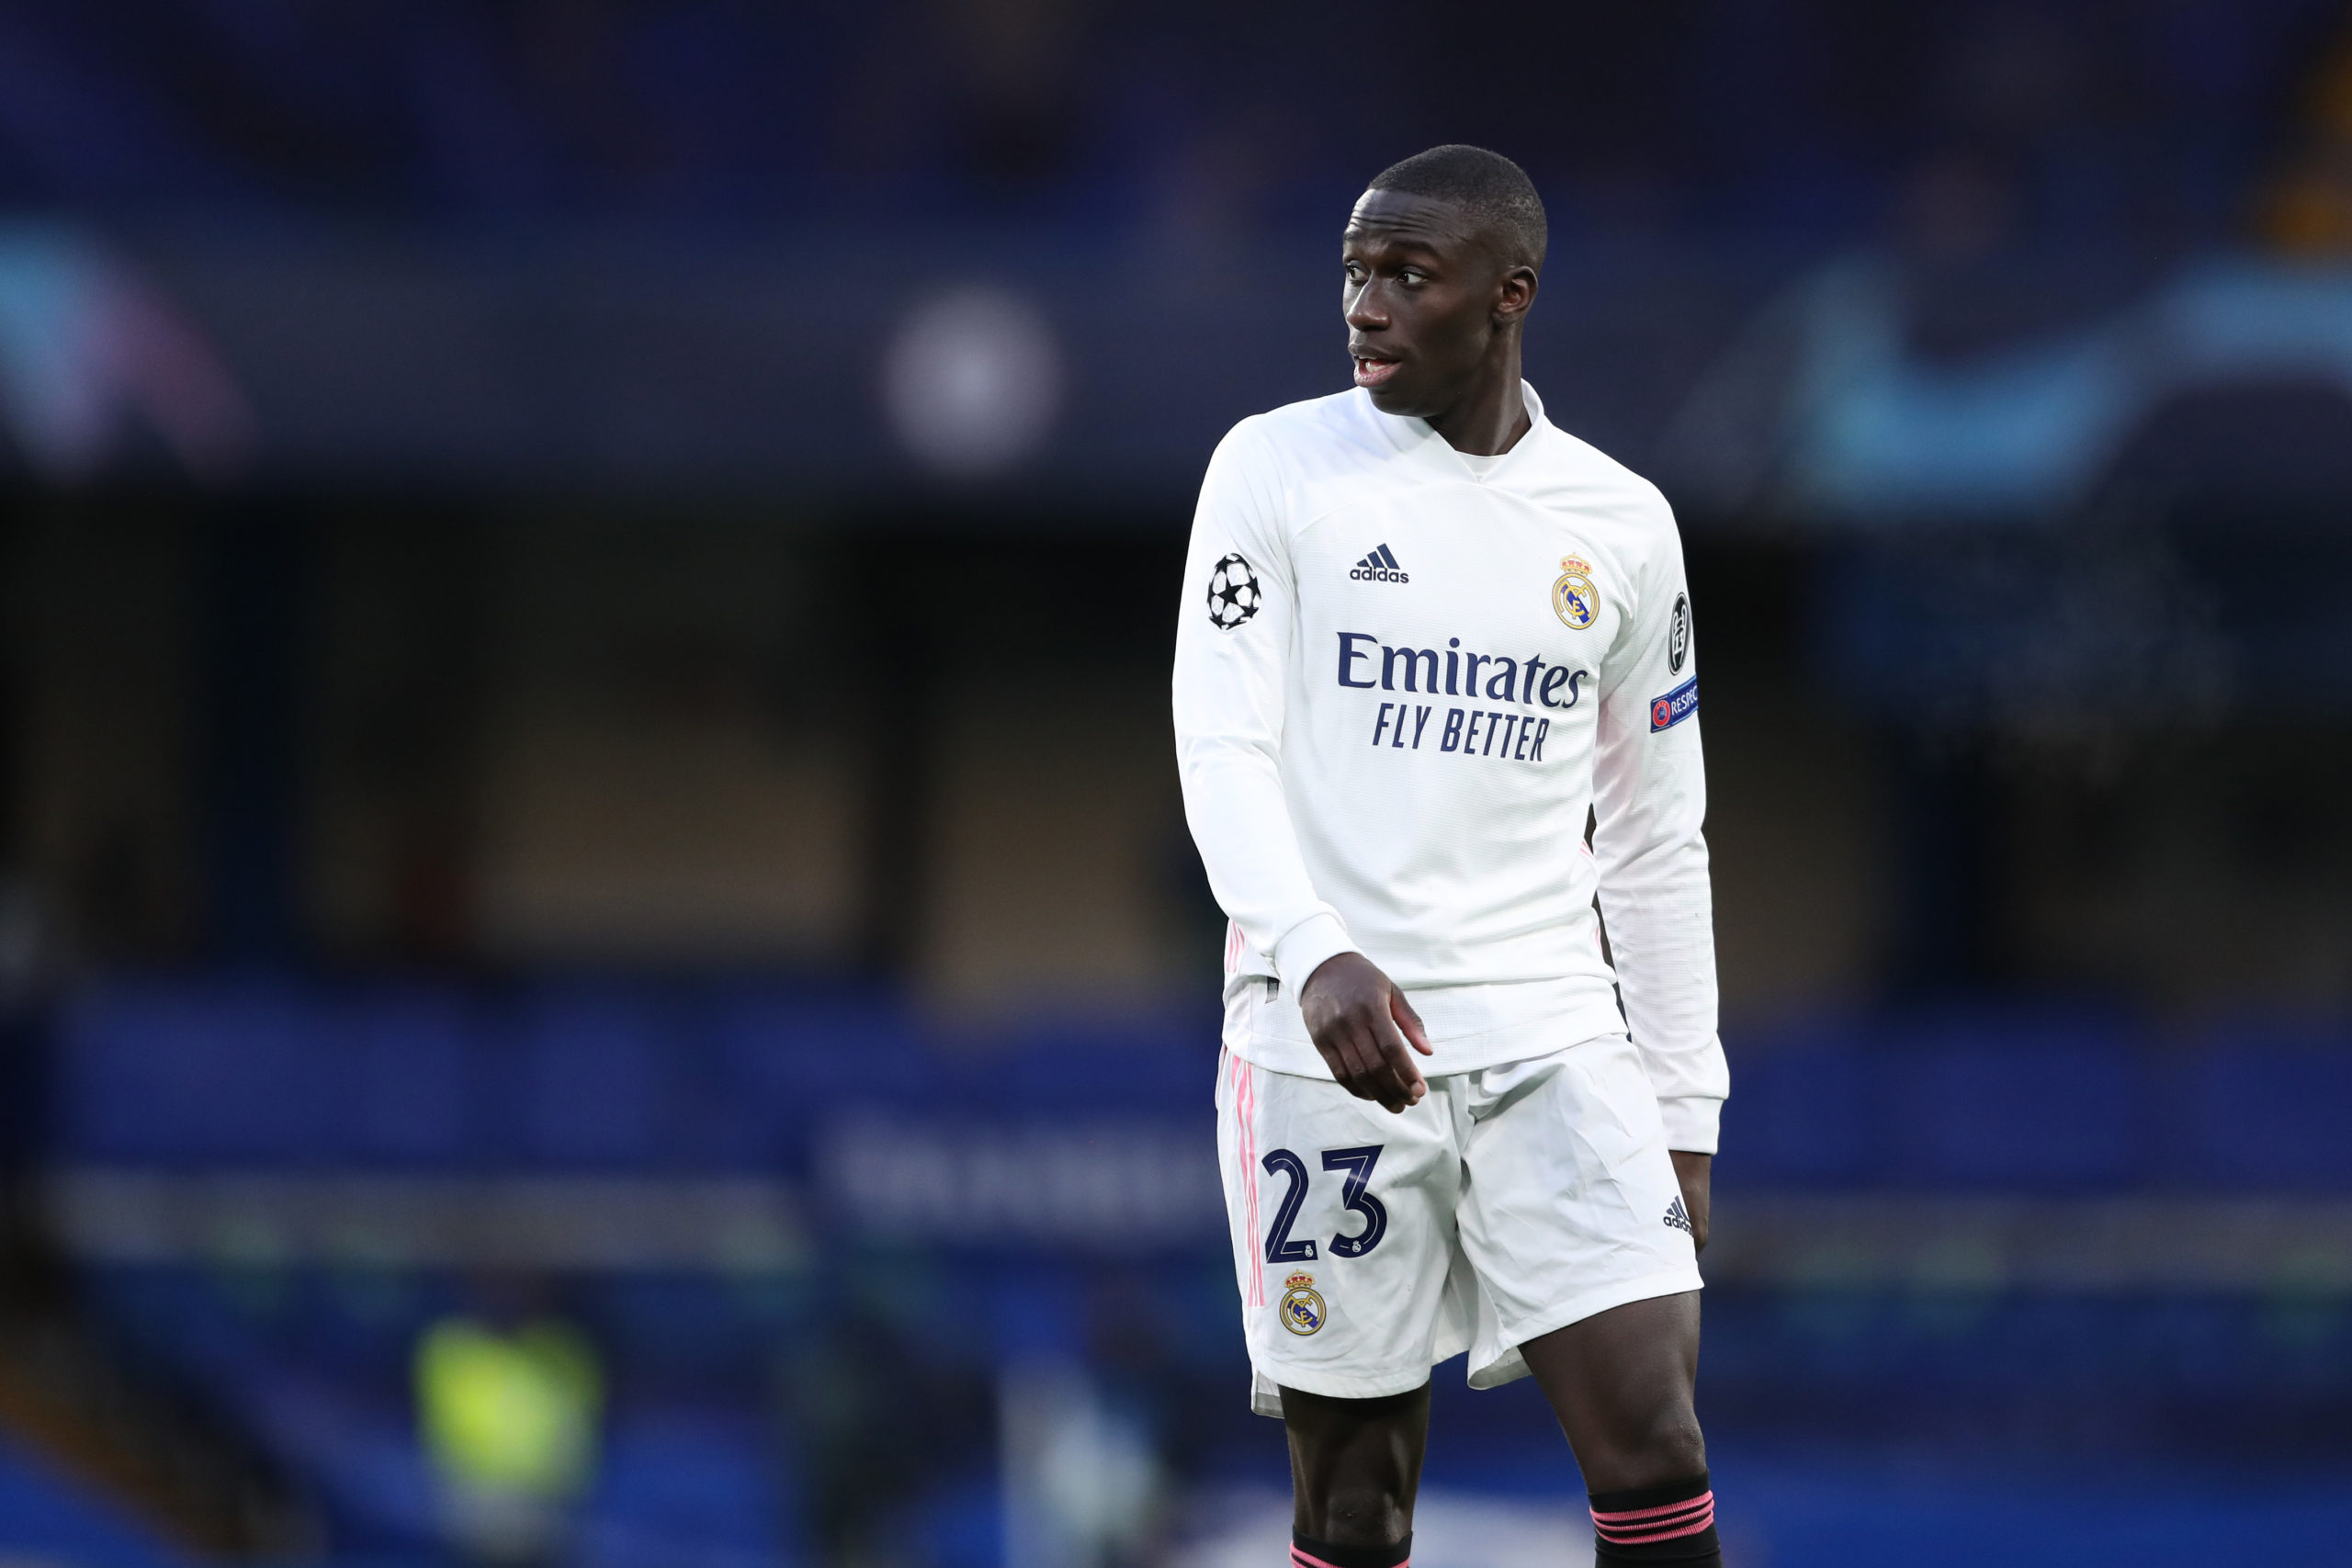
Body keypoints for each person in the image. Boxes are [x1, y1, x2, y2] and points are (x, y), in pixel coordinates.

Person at [1172, 145, 1727, 1568]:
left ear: (1507, 297)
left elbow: (1657, 837)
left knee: (1657, 1449)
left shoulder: (1620, 524)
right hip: (1327, 1056)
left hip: (1556, 1041)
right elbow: (1220, 748)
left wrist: (1685, 1104)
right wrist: (1312, 951)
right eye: (1355, 273)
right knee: (1357, 1509)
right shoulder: (1275, 467)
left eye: (1408, 276)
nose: (1365, 306)